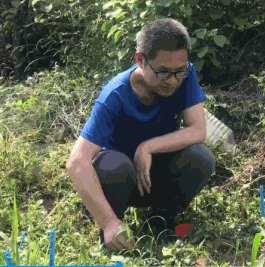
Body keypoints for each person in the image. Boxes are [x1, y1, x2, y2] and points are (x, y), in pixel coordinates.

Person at [65, 18, 216, 252]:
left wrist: (147, 147)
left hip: (155, 176)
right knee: (114, 163)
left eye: (179, 71)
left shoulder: (185, 74)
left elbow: (198, 130)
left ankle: (161, 219)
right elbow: (76, 162)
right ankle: (113, 231)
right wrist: (108, 222)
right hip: (119, 184)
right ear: (140, 60)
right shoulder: (115, 96)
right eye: (164, 72)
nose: (173, 81)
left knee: (200, 156)